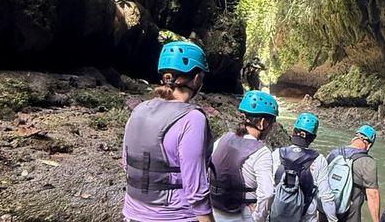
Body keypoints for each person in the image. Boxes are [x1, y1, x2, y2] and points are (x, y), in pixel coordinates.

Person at [122, 41, 215, 222]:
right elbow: (195, 191)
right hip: (175, 217)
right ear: (196, 79)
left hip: (131, 215)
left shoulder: (138, 110)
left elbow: (127, 164)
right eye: (201, 76)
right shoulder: (193, 119)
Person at [209, 90, 278, 222]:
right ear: (262, 122)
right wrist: (258, 217)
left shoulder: (224, 139)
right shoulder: (262, 152)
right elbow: (267, 193)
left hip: (214, 212)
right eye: (272, 123)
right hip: (241, 215)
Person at [270, 113, 338, 222]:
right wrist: (333, 220)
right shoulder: (319, 159)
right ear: (313, 138)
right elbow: (326, 196)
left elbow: (267, 189)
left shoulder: (277, 153)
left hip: (277, 212)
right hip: (306, 215)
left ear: (293, 130)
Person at [327, 125, 380, 222]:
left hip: (327, 209)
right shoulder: (367, 162)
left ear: (353, 139)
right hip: (350, 214)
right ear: (368, 146)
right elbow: (372, 194)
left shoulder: (333, 153)